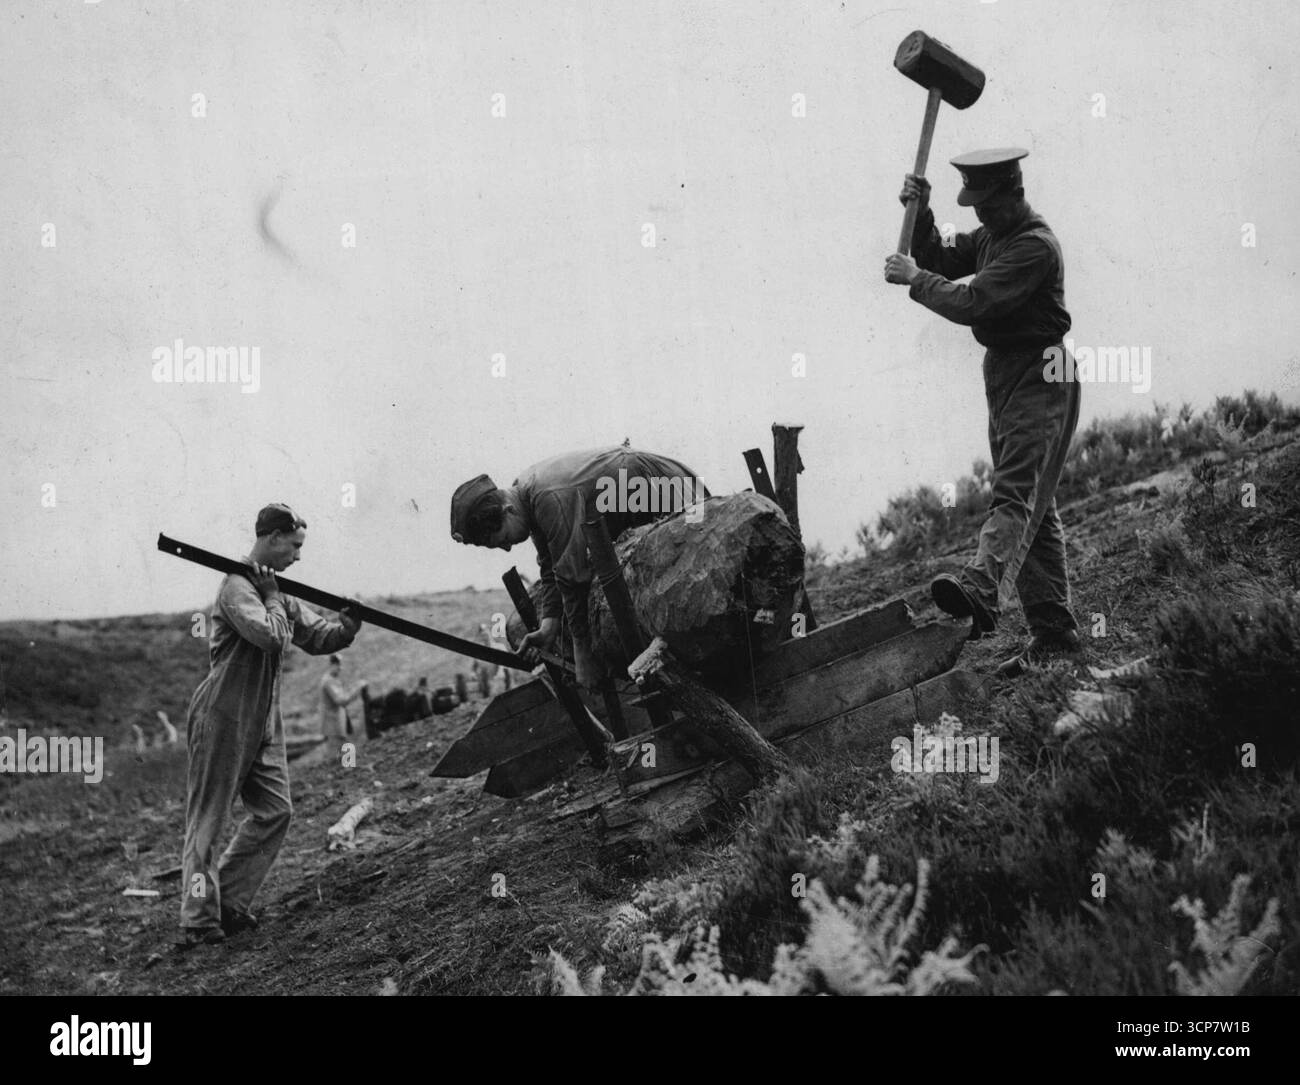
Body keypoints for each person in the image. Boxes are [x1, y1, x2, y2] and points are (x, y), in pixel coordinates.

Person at [884, 148, 1081, 677]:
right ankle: (1055, 635)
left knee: (1015, 493)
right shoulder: (993, 235)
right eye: (976, 208)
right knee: (1034, 504)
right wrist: (921, 214)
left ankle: (982, 586)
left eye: (988, 206)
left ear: (1016, 194)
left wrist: (915, 279)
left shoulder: (1034, 247)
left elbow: (975, 303)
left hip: (1042, 373)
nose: (981, 216)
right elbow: (945, 256)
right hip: (1006, 373)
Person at [179, 503, 362, 947]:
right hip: (222, 716)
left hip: (262, 719)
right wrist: (274, 597)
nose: (298, 556)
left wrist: (347, 628)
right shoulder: (238, 587)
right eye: (294, 546)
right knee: (209, 819)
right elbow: (272, 636)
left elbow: (316, 636)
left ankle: (227, 901)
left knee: (276, 811)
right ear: (273, 538)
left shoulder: (274, 589)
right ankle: (198, 920)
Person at [450, 443, 708, 688]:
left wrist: (582, 654)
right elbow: (551, 565)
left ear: (508, 510)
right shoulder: (526, 496)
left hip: (663, 485)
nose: (507, 548)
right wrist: (549, 625)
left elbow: (572, 575)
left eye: (503, 539)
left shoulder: (547, 496)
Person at [319, 655, 367, 759]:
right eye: (337, 665)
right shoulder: (328, 681)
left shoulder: (333, 679)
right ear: (331, 665)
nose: (340, 668)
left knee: (346, 756)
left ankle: (349, 767)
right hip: (333, 726)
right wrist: (357, 689)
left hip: (338, 724)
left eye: (340, 665)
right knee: (338, 758)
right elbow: (341, 700)